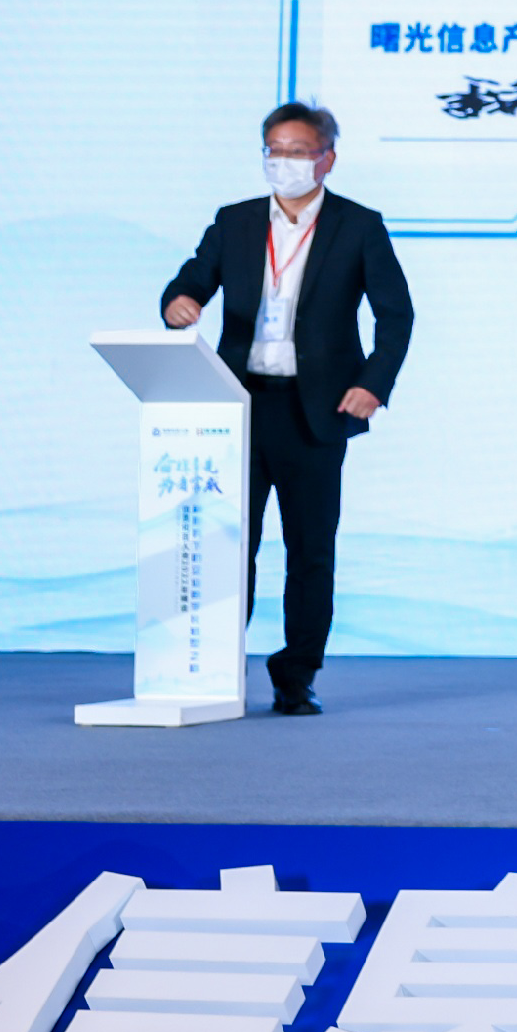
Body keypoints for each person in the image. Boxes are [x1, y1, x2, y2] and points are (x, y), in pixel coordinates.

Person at [160, 102, 415, 716]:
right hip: (236, 408)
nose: (284, 162)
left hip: (316, 411)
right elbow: (192, 278)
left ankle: (296, 676)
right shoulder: (236, 221)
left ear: (327, 159)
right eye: (274, 150)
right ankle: (213, 669)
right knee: (227, 549)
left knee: (310, 552)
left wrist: (373, 385)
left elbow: (396, 315)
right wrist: (179, 302)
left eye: (298, 152)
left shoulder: (358, 225)